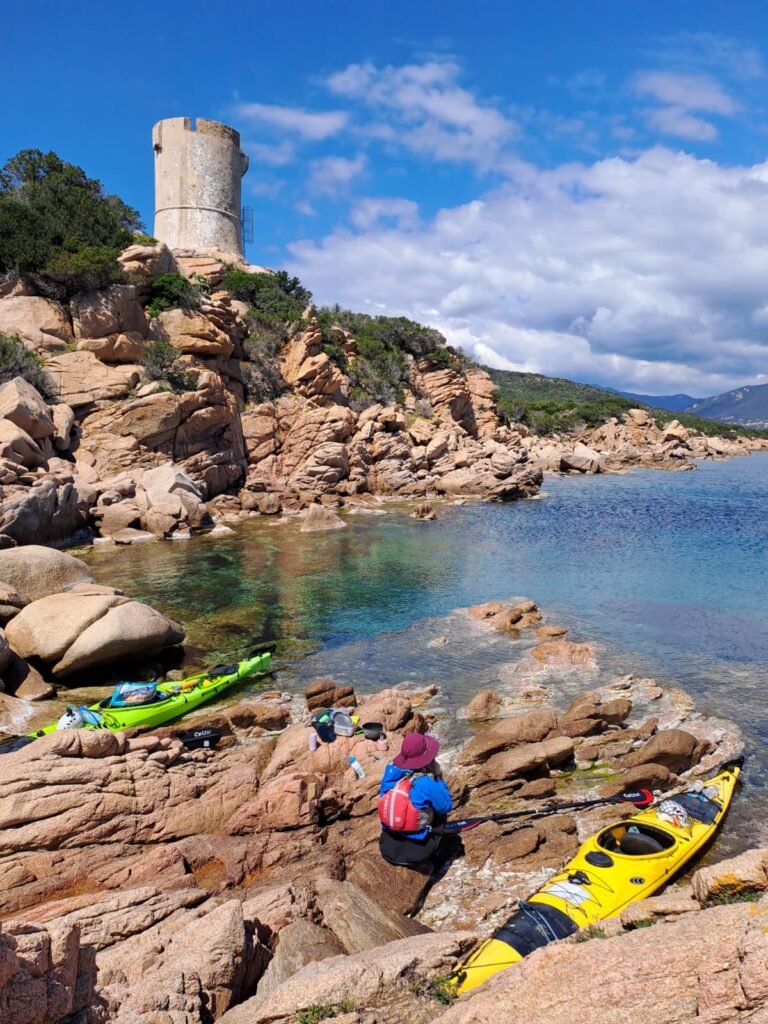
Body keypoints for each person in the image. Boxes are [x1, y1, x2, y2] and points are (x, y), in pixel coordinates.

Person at [378, 731, 453, 866]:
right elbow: (447, 805)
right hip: (419, 850)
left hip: (387, 845)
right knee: (440, 810)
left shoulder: (390, 771)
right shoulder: (425, 783)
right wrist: (437, 775)